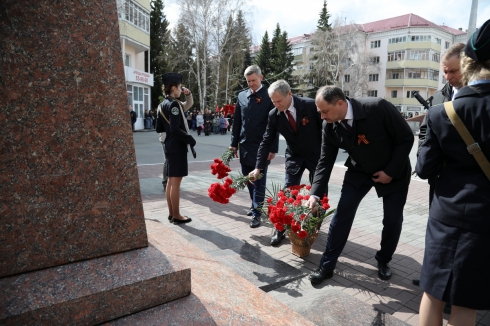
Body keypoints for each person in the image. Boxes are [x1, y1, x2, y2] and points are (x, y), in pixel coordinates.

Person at [416, 20, 490, 326]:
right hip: (485, 220)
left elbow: (424, 169)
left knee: (433, 294)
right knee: (466, 302)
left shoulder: (440, 113)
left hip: (446, 214)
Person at [306, 86, 413, 284]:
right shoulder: (329, 126)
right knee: (342, 215)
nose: (322, 116)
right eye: (319, 112)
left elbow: (406, 138)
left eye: (324, 111)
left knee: (392, 219)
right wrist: (315, 194)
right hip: (359, 171)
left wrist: (389, 172)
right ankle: (327, 266)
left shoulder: (377, 107)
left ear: (340, 103)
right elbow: (324, 162)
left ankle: (384, 260)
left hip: (394, 171)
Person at [412, 42, 465, 314]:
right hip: (439, 182)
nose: (448, 77)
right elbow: (424, 135)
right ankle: (432, 279)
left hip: (469, 186)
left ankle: (454, 292)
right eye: (444, 71)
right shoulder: (438, 96)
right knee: (437, 237)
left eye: (452, 70)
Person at [249, 80, 324, 245]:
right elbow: (266, 141)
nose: (276, 105)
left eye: (279, 101)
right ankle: (281, 228)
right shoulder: (274, 114)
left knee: (319, 191)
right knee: (287, 192)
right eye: (273, 102)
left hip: (315, 156)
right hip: (294, 157)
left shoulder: (311, 106)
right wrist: (258, 167)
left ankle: (314, 224)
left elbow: (325, 131)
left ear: (289, 94)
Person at [230, 65, 278, 228]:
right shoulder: (242, 96)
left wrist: (273, 148)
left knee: (258, 180)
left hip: (262, 147)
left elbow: (275, 125)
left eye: (253, 80)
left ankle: (257, 213)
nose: (250, 84)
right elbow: (237, 122)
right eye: (248, 81)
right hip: (244, 145)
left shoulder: (269, 96)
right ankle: (254, 205)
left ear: (261, 77)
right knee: (247, 177)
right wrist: (233, 144)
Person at [156, 72, 196, 224]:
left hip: (168, 146)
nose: (180, 90)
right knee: (175, 183)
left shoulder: (162, 105)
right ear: (173, 88)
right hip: (177, 147)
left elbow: (158, 127)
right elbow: (175, 129)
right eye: (179, 87)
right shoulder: (174, 104)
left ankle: (171, 213)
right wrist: (190, 139)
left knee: (170, 182)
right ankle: (177, 215)